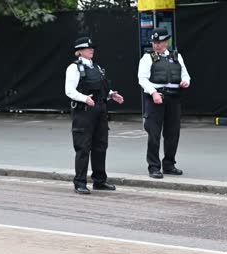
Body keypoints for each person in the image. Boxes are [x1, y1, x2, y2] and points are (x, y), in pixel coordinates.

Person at [65, 36, 124, 194]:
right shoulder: (74, 68)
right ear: (79, 51)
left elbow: (101, 87)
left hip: (100, 109)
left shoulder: (96, 67)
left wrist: (112, 95)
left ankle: (99, 181)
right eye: (87, 48)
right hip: (84, 111)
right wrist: (84, 98)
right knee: (83, 147)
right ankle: (80, 182)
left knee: (100, 146)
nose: (91, 50)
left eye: (92, 48)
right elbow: (69, 90)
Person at [137, 28, 191, 179]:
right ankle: (154, 167)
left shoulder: (176, 56)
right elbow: (142, 79)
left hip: (173, 98)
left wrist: (185, 82)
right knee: (154, 133)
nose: (157, 45)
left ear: (166, 42)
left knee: (172, 133)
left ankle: (169, 164)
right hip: (156, 97)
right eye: (155, 42)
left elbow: (186, 75)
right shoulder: (148, 58)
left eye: (160, 42)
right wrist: (153, 93)